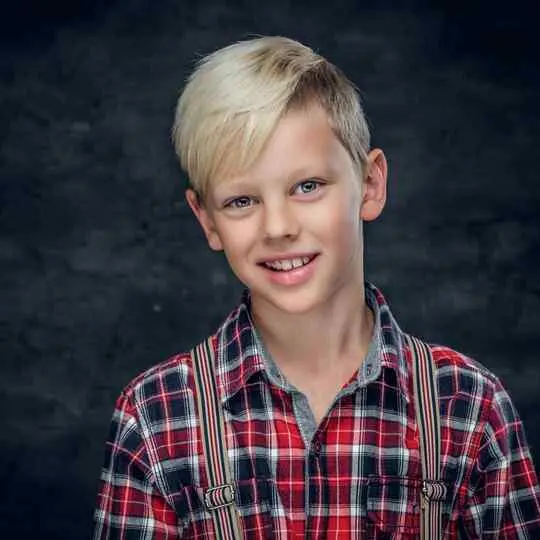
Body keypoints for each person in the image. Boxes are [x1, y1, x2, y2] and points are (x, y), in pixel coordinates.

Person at [92, 36, 540, 538]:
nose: (278, 226)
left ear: (370, 184)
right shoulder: (155, 419)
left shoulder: (469, 406)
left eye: (307, 187)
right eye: (241, 200)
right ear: (207, 221)